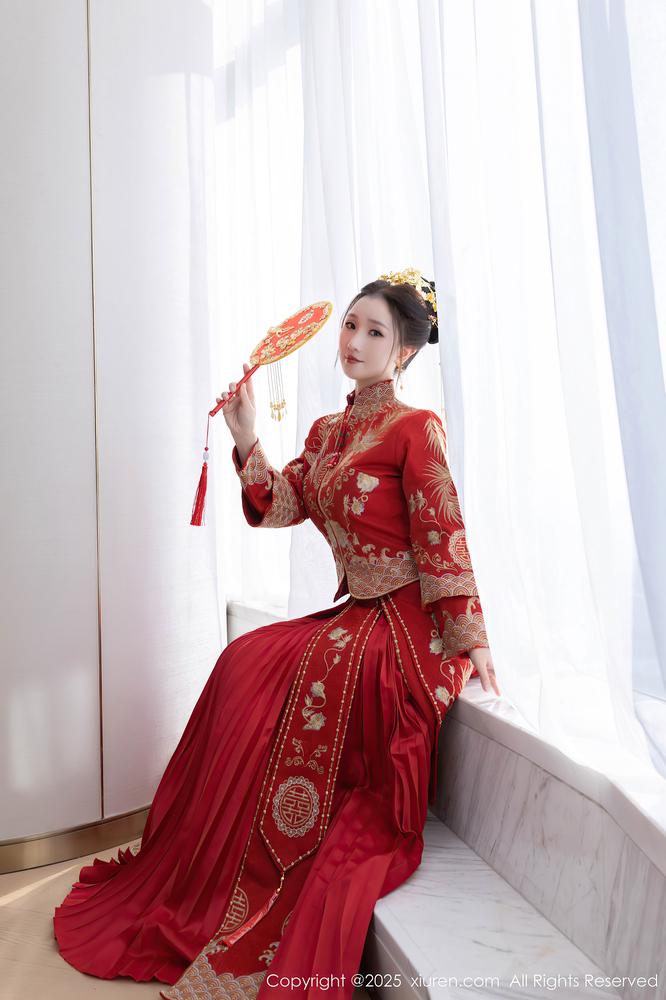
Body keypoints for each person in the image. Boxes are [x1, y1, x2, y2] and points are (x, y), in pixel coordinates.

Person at [53, 269, 499, 999]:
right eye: (350, 325)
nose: (354, 341)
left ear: (404, 353)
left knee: (290, 666)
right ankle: (204, 866)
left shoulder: (416, 428)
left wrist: (469, 637)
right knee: (244, 659)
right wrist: (247, 434)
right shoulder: (328, 431)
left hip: (405, 627)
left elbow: (442, 531)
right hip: (355, 614)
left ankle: (252, 869)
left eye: (375, 332)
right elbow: (279, 504)